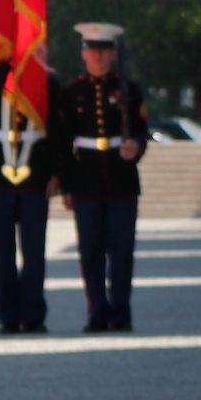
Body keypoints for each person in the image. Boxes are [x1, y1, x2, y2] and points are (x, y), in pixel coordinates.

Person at [52, 23, 148, 332]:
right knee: (90, 252)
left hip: (121, 180)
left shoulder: (129, 90)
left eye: (103, 50)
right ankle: (97, 311)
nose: (97, 56)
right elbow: (63, 143)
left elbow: (141, 130)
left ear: (113, 54)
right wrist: (66, 185)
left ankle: (121, 311)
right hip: (86, 180)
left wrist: (137, 147)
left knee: (121, 252)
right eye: (91, 50)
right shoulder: (71, 93)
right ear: (83, 54)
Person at [0, 60, 54, 333]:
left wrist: (56, 173)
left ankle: (33, 313)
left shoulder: (45, 79)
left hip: (35, 176)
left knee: (34, 251)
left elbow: (56, 128)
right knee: (2, 250)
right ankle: (8, 314)